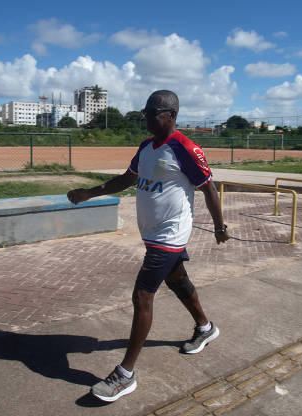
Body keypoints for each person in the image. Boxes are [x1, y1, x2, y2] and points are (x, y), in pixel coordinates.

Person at [67, 89, 229, 402]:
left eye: (152, 111)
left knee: (142, 295)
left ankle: (125, 375)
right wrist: (89, 192)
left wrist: (219, 227)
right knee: (178, 280)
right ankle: (205, 327)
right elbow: (126, 180)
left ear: (171, 115)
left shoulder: (185, 147)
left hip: (170, 234)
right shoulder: (145, 147)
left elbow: (208, 188)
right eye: (145, 110)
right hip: (153, 234)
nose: (146, 116)